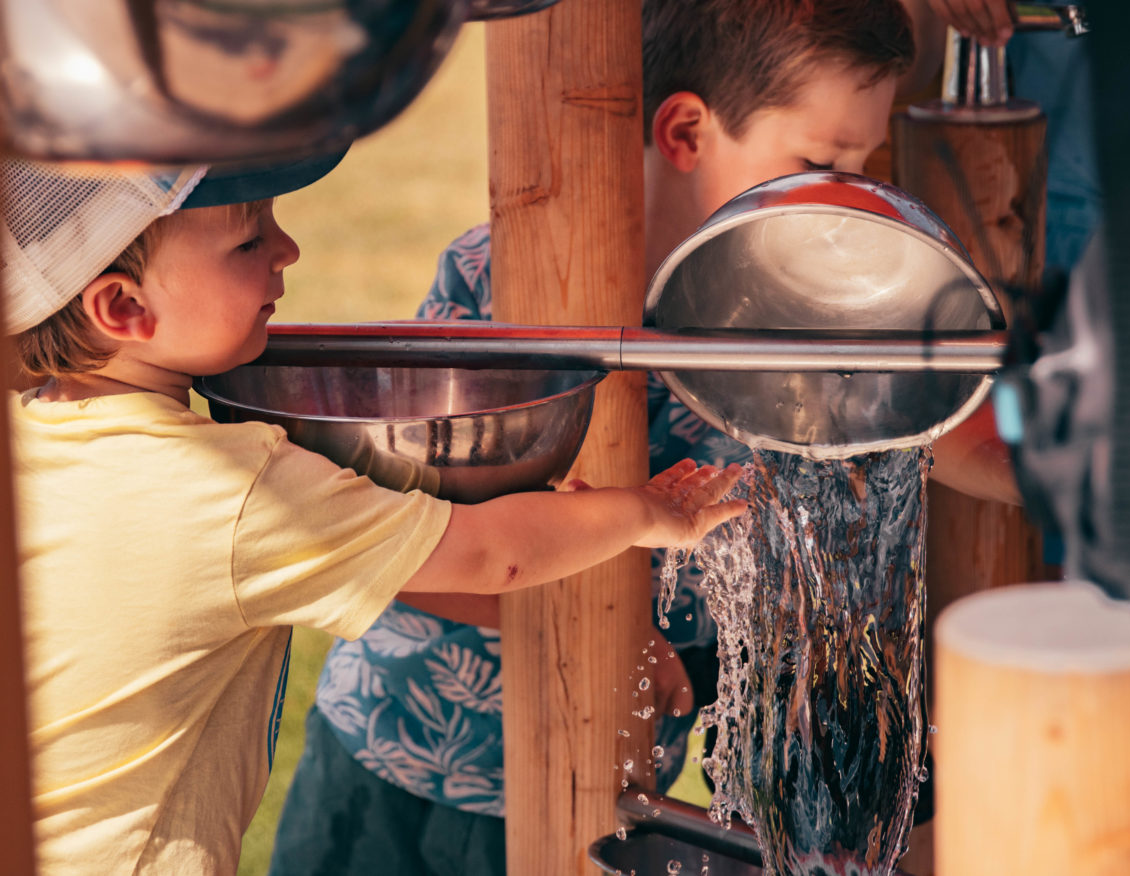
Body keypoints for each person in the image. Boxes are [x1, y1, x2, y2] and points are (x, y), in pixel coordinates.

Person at [267, 2, 950, 874]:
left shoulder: (786, 321)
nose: (842, 198)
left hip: (606, 775)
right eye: (817, 163)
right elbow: (395, 547)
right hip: (402, 759)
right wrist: (616, 631)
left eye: (862, 167)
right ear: (687, 131)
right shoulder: (504, 283)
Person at [0, 155, 752, 875]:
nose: (288, 250)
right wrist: (644, 513)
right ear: (124, 307)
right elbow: (492, 554)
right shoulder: (229, 491)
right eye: (249, 239)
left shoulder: (9, 440)